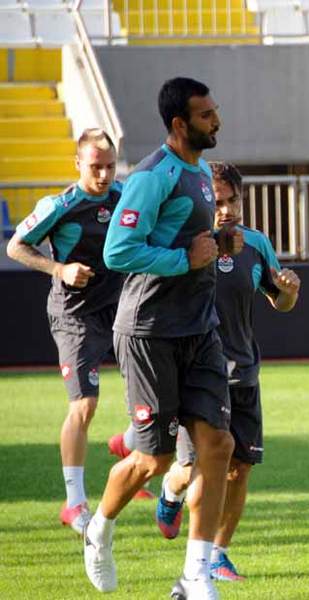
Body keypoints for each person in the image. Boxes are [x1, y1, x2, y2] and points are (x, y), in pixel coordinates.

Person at [83, 77, 241, 600]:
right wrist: (184, 259)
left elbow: (187, 239)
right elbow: (117, 251)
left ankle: (196, 575)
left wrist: (217, 242)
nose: (216, 121)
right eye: (205, 115)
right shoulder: (153, 175)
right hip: (150, 333)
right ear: (179, 123)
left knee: (218, 444)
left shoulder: (199, 172)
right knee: (154, 461)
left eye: (214, 111)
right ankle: (99, 528)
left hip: (200, 330)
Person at [109, 162, 301, 583]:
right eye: (218, 201)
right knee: (191, 466)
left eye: (233, 200)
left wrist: (288, 292)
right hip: (195, 372)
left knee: (240, 468)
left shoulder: (255, 244)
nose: (226, 209)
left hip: (242, 373)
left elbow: (279, 301)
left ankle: (218, 554)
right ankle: (170, 490)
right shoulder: (183, 244)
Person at [6, 129, 124, 534]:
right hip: (76, 316)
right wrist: (59, 269)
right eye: (95, 167)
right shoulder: (60, 206)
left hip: (120, 310)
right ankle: (74, 503)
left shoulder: (125, 197)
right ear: (77, 164)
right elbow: (16, 246)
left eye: (110, 166)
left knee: (159, 387)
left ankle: (129, 446)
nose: (104, 175)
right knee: (84, 405)